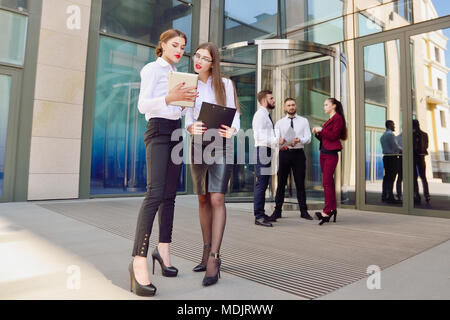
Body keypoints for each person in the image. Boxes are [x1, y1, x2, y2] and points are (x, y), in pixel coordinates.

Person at [129, 29, 198, 297]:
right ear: (163, 45)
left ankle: (164, 251)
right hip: (157, 130)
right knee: (154, 194)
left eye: (183, 46)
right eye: (175, 45)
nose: (179, 49)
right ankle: (138, 261)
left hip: (176, 130)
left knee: (170, 196)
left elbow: (178, 108)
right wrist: (169, 99)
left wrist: (181, 106)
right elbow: (143, 105)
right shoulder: (152, 69)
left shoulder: (179, 76)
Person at [185, 42, 240, 286]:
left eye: (204, 58)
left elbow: (235, 112)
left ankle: (215, 259)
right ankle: (205, 251)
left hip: (221, 142)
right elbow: (185, 114)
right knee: (203, 198)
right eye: (197, 55)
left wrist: (233, 129)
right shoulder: (189, 82)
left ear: (213, 63)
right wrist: (189, 126)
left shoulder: (225, 84)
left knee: (217, 197)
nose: (198, 60)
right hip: (197, 144)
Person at [267, 98, 313, 222]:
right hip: (284, 153)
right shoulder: (280, 123)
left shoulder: (304, 121)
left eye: (293, 105)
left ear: (295, 106)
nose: (291, 107)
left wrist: (300, 140)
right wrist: (280, 141)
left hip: (298, 154)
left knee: (300, 184)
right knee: (281, 184)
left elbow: (308, 138)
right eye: (288, 105)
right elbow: (274, 139)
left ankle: (304, 211)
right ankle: (277, 212)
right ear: (284, 108)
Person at [312, 98, 347, 225]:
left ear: (333, 106)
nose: (324, 107)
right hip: (324, 153)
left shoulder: (337, 118)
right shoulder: (330, 120)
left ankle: (327, 211)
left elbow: (334, 136)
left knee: (326, 183)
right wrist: (318, 133)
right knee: (328, 183)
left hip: (331, 154)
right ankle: (332, 209)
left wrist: (322, 129)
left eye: (326, 104)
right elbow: (326, 138)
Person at [252, 90, 284, 227]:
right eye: (271, 98)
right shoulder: (260, 115)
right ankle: (258, 216)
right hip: (262, 151)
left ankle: (261, 213)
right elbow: (259, 136)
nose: (274, 100)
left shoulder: (265, 115)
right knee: (261, 184)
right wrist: (277, 140)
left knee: (264, 183)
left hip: (267, 150)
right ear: (264, 100)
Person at [380, 120, 402, 204]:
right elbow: (395, 147)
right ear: (389, 125)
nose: (394, 126)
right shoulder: (390, 135)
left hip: (386, 157)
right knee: (392, 178)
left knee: (386, 177)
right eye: (393, 125)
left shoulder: (383, 136)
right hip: (392, 158)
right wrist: (404, 150)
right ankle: (390, 196)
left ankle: (384, 195)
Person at [412, 119, 430, 204]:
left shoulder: (412, 135)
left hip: (416, 157)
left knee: (416, 177)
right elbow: (426, 146)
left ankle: (417, 195)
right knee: (423, 177)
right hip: (421, 157)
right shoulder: (424, 134)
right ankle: (426, 195)